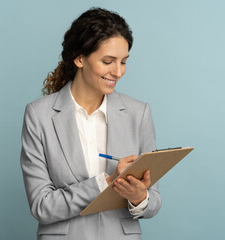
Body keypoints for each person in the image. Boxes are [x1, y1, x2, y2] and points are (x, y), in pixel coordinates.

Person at [20, 7, 161, 240]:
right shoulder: (38, 115)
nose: (118, 72)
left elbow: (154, 202)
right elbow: (41, 206)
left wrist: (139, 197)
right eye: (108, 61)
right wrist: (105, 182)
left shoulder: (139, 113)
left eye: (123, 62)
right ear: (79, 58)